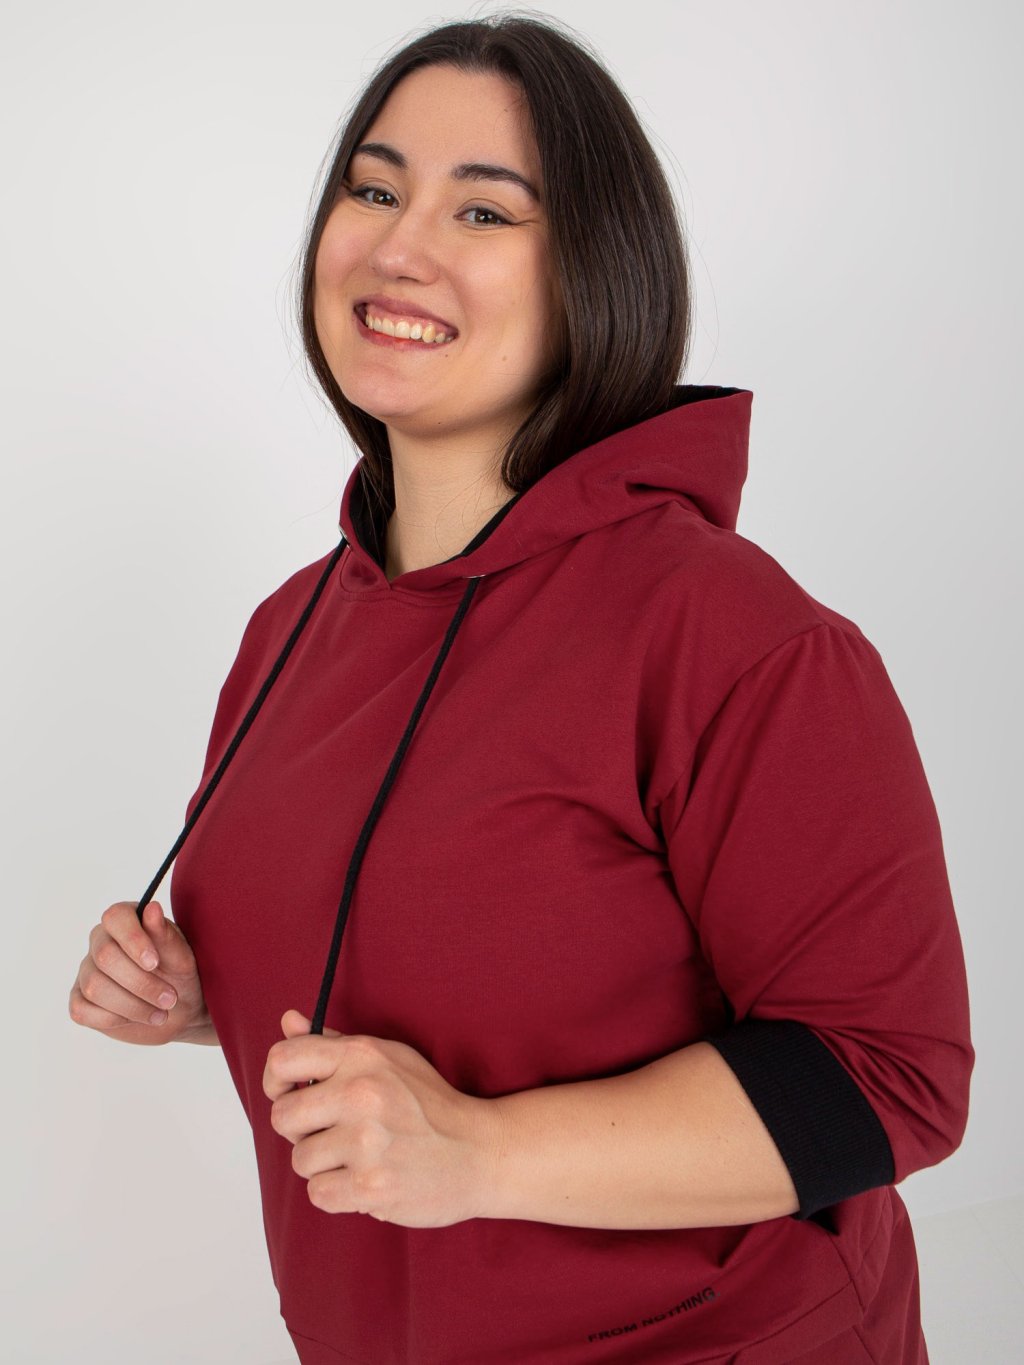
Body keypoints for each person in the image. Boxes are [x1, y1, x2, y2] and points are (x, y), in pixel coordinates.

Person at [68, 12, 973, 1364]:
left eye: (485, 211)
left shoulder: (732, 634)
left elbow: (891, 1077)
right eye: (373, 189)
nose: (399, 247)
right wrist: (213, 988)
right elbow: (470, 948)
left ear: (593, 273)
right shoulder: (288, 627)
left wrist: (480, 1151)